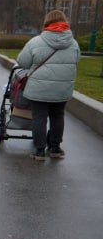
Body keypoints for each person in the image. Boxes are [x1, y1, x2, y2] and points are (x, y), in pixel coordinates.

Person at [15, 10, 80, 160]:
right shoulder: (74, 43)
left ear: (47, 23)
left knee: (39, 117)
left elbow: (23, 62)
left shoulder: (36, 41)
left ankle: (39, 151)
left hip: (39, 88)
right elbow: (77, 61)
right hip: (63, 88)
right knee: (58, 116)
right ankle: (56, 149)